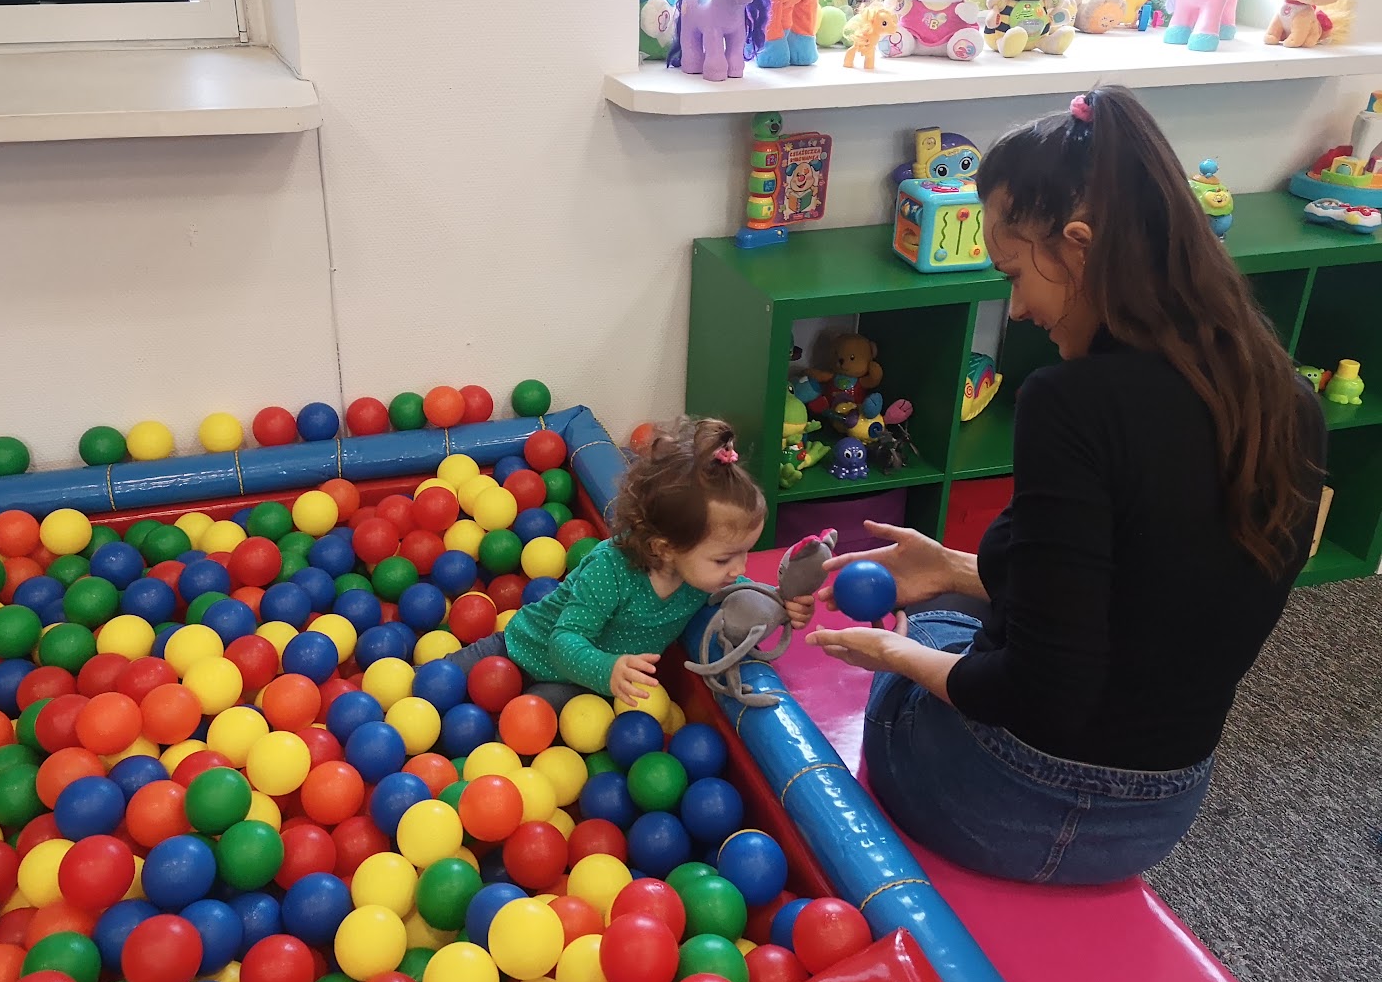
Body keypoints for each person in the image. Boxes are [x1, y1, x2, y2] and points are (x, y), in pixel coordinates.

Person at [807, 85, 1327, 886]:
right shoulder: (1281, 395)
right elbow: (1161, 599)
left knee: (931, 638)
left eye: (1016, 273)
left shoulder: (1071, 403)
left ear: (1079, 248)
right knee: (955, 606)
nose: (1015, 309)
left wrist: (896, 655)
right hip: (1162, 810)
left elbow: (1036, 694)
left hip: (1018, 803)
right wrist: (955, 569)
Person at [449, 417, 814, 710]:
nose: (739, 569)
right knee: (438, 682)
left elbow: (741, 601)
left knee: (526, 727)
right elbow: (564, 640)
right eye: (724, 559)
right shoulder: (610, 571)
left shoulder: (704, 578)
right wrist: (609, 669)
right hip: (524, 646)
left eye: (745, 552)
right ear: (664, 548)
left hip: (580, 687)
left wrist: (780, 604)